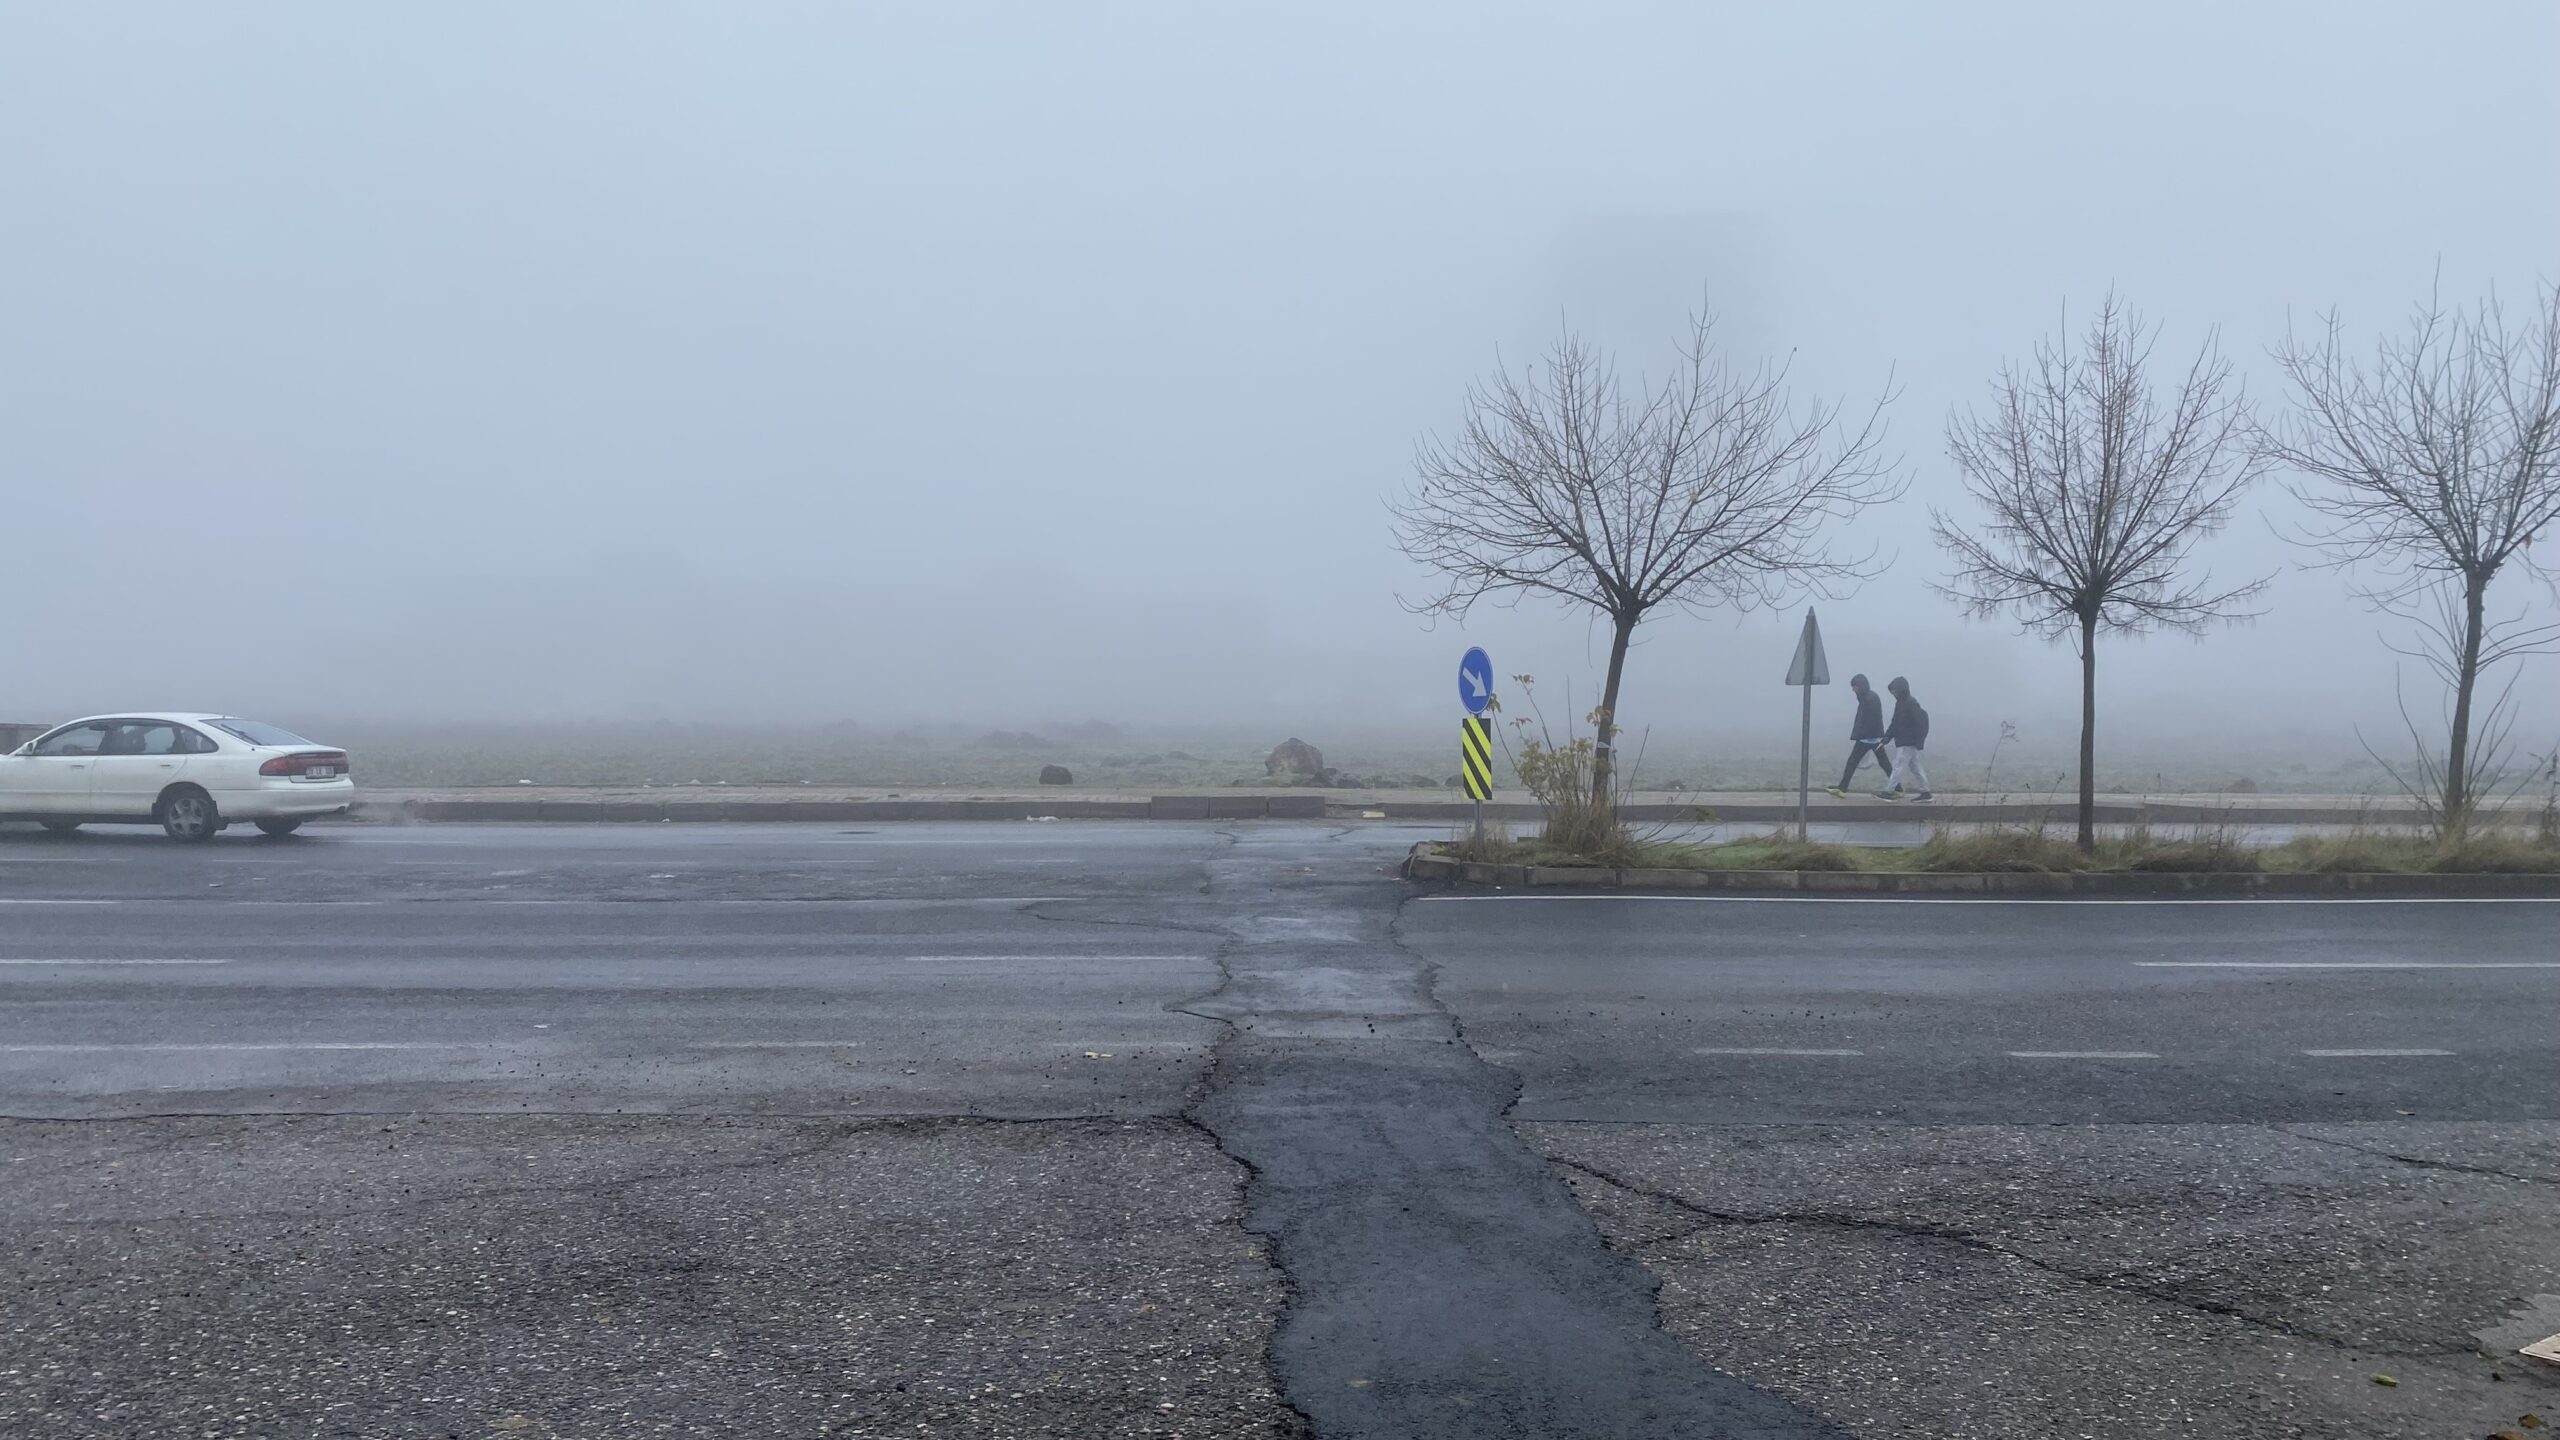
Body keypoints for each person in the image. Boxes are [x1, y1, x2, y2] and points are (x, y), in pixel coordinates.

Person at [1825, 673, 1888, 797]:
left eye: (1854, 687)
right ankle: (1898, 788)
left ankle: (1842, 789)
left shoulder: (1869, 699)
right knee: (1884, 763)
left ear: (1861, 686)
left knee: (1852, 762)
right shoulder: (1868, 697)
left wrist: (1862, 734)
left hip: (1867, 738)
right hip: (1870, 737)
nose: (1853, 690)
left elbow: (1870, 719)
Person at [1875, 675, 1933, 801]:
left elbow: (1920, 723)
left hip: (1907, 742)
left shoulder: (1910, 704)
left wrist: (1919, 741)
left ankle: (1889, 792)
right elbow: (1895, 723)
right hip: (1908, 741)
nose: (1893, 693)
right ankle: (1926, 792)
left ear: (1901, 690)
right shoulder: (1901, 704)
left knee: (1898, 766)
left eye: (1894, 691)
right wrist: (1885, 739)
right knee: (1915, 767)